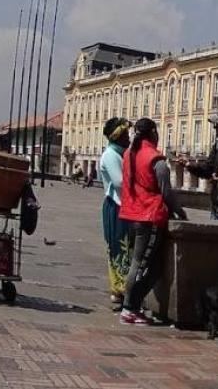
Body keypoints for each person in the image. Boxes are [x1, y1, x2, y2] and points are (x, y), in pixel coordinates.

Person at [118, 118, 187, 325]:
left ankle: (133, 304)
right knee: (140, 264)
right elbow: (166, 191)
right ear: (153, 134)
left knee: (152, 265)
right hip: (149, 215)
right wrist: (180, 212)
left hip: (131, 214)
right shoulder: (156, 160)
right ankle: (128, 308)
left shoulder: (128, 154)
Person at [99, 117, 132, 312]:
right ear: (117, 137)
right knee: (119, 247)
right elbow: (119, 182)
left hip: (123, 205)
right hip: (116, 204)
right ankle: (119, 288)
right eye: (126, 135)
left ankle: (121, 289)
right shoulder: (111, 155)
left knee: (124, 247)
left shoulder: (120, 154)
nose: (129, 138)